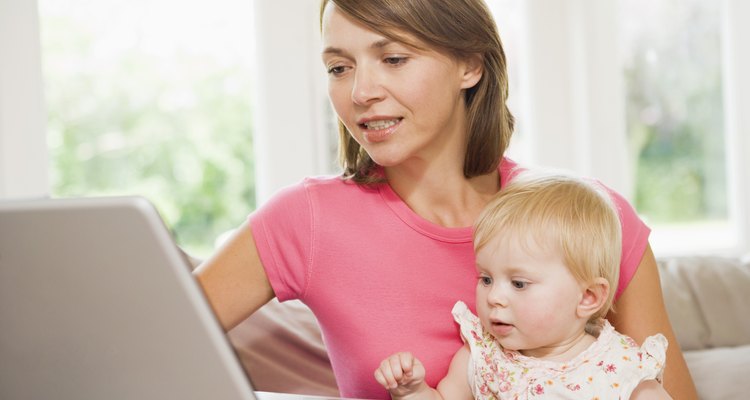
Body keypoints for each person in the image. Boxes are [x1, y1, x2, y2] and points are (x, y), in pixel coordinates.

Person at [194, 0, 698, 398]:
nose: (361, 91)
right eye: (339, 67)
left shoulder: (592, 217)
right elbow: (146, 347)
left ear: (470, 65)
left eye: (393, 58)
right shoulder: (304, 221)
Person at [374, 172, 672, 399]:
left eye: (518, 283)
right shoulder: (484, 356)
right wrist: (412, 391)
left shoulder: (622, 369)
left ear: (588, 297)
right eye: (486, 279)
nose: (494, 297)